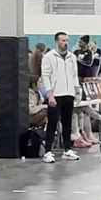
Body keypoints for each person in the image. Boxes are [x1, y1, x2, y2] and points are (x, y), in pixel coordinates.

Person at [41, 32, 80, 163]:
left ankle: (67, 149)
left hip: (69, 94)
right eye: (63, 40)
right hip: (55, 95)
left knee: (67, 123)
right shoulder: (48, 57)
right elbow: (45, 75)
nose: (65, 43)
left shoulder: (72, 57)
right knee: (52, 123)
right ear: (57, 41)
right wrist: (49, 94)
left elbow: (74, 75)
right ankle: (47, 151)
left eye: (67, 40)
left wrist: (77, 91)